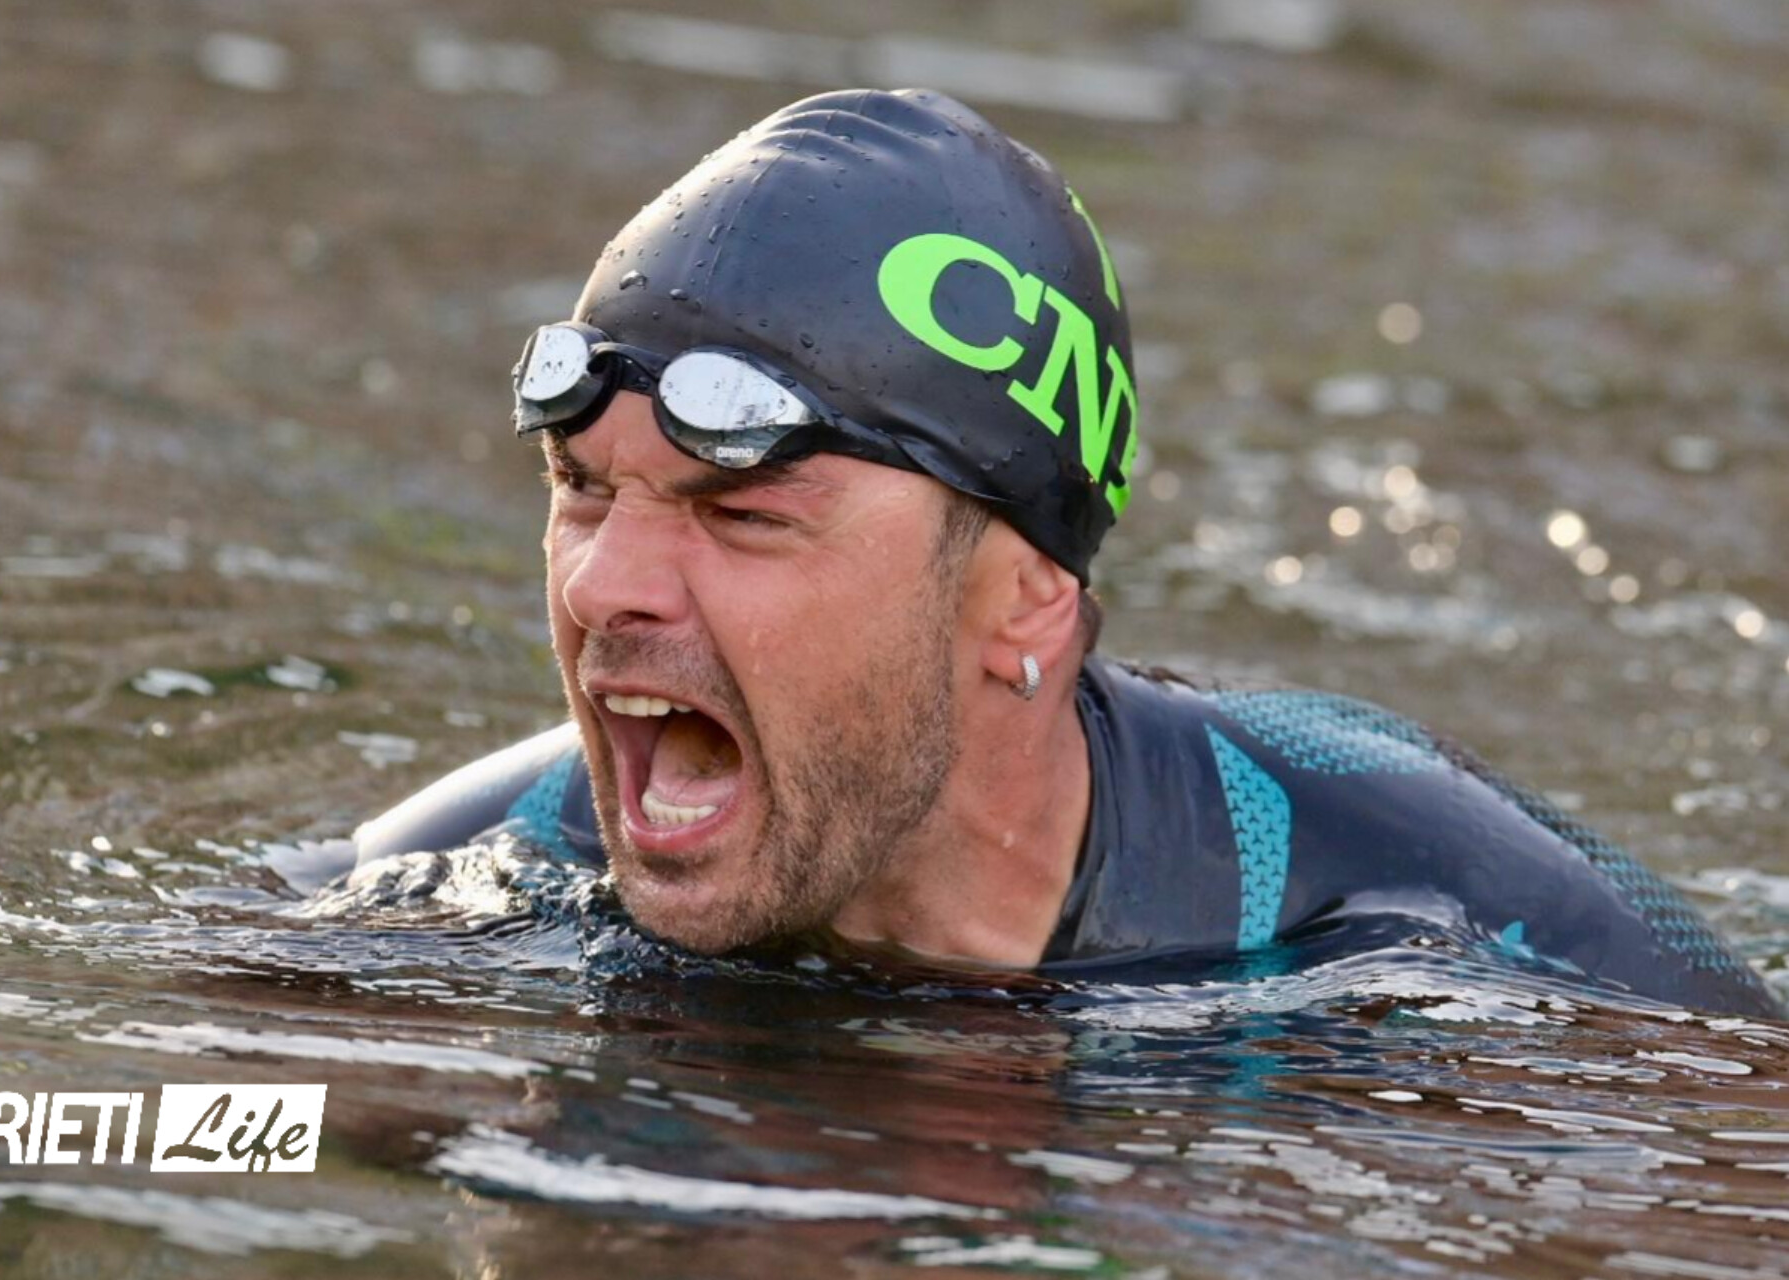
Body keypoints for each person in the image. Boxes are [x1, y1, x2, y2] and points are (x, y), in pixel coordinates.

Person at [354, 88, 1778, 1018]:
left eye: (743, 514)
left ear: (1028, 596)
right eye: (584, 487)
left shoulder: (1430, 920)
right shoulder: (473, 877)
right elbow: (235, 1129)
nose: (602, 586)